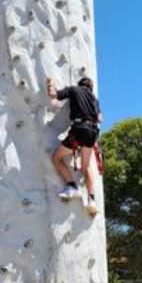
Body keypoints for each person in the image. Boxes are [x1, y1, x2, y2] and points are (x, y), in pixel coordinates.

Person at [47, 76, 102, 213]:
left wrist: (50, 83)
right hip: (92, 132)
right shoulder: (95, 100)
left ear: (80, 85)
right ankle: (91, 200)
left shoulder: (74, 89)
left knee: (56, 158)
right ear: (90, 88)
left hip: (79, 129)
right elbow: (100, 118)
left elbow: (53, 95)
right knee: (86, 166)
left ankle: (71, 186)